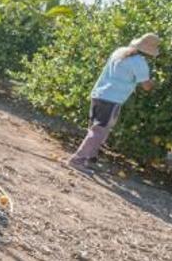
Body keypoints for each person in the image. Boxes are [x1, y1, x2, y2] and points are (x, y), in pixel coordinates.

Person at [67, 33, 160, 170]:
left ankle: (90, 158)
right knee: (99, 131)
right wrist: (155, 83)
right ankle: (77, 160)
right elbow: (146, 86)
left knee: (96, 128)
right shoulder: (139, 62)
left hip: (98, 94)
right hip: (112, 99)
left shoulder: (120, 51)